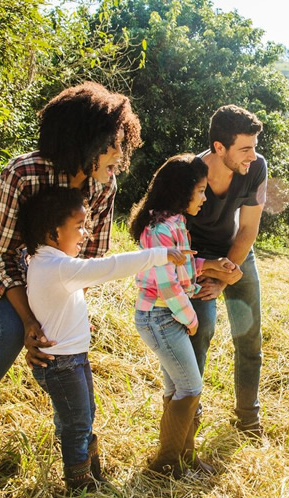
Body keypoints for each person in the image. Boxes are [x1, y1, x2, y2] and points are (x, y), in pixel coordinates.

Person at [0, 82, 141, 451]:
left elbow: (85, 262)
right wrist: (34, 321)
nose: (118, 155)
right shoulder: (26, 171)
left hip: (28, 258)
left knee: (52, 336)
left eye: (120, 143)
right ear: (81, 141)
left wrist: (64, 315)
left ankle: (75, 440)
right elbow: (2, 256)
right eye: (109, 145)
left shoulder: (104, 187)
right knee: (14, 329)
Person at [19, 186, 189, 492]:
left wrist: (80, 326)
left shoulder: (45, 262)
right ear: (53, 233)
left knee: (81, 415)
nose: (84, 234)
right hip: (62, 364)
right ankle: (79, 482)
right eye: (79, 227)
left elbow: (56, 307)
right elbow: (109, 267)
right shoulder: (57, 266)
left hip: (71, 358)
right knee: (77, 422)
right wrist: (159, 254)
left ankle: (90, 473)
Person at [129, 154, 238, 478]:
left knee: (177, 388)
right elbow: (166, 284)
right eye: (201, 191)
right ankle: (166, 465)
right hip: (161, 318)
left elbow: (183, 267)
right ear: (182, 191)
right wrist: (191, 318)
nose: (205, 198)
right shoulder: (160, 229)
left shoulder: (175, 222)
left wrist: (213, 264)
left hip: (168, 316)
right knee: (190, 387)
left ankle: (184, 458)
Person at [187, 105, 267, 437]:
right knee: (200, 330)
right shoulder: (189, 173)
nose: (253, 155)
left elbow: (249, 228)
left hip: (236, 251)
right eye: (245, 148)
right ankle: (189, 415)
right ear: (219, 147)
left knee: (249, 337)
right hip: (196, 257)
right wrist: (209, 271)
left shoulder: (257, 167)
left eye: (255, 146)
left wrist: (227, 273)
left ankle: (248, 418)